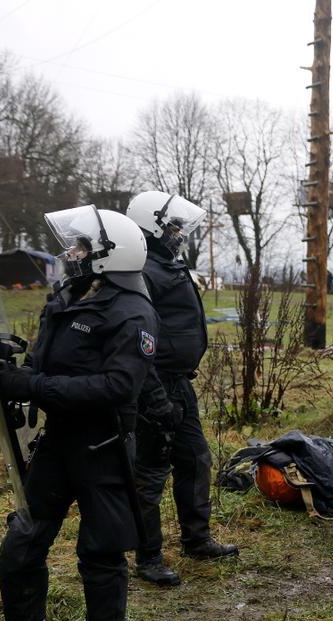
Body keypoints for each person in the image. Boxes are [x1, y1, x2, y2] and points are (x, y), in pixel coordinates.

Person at [0, 206, 158, 621]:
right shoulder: (67, 297)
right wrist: (13, 361)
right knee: (21, 545)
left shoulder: (133, 310)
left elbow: (118, 387)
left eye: (81, 246)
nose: (71, 253)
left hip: (102, 446)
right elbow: (44, 362)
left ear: (108, 255)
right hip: (57, 441)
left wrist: (34, 384)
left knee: (100, 554)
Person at [124, 191, 238, 589]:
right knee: (151, 474)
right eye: (171, 227)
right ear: (151, 227)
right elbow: (137, 339)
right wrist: (154, 396)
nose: (178, 234)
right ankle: (148, 556)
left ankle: (197, 538)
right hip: (154, 387)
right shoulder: (142, 271)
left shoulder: (165, 265)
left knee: (195, 458)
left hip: (179, 384)